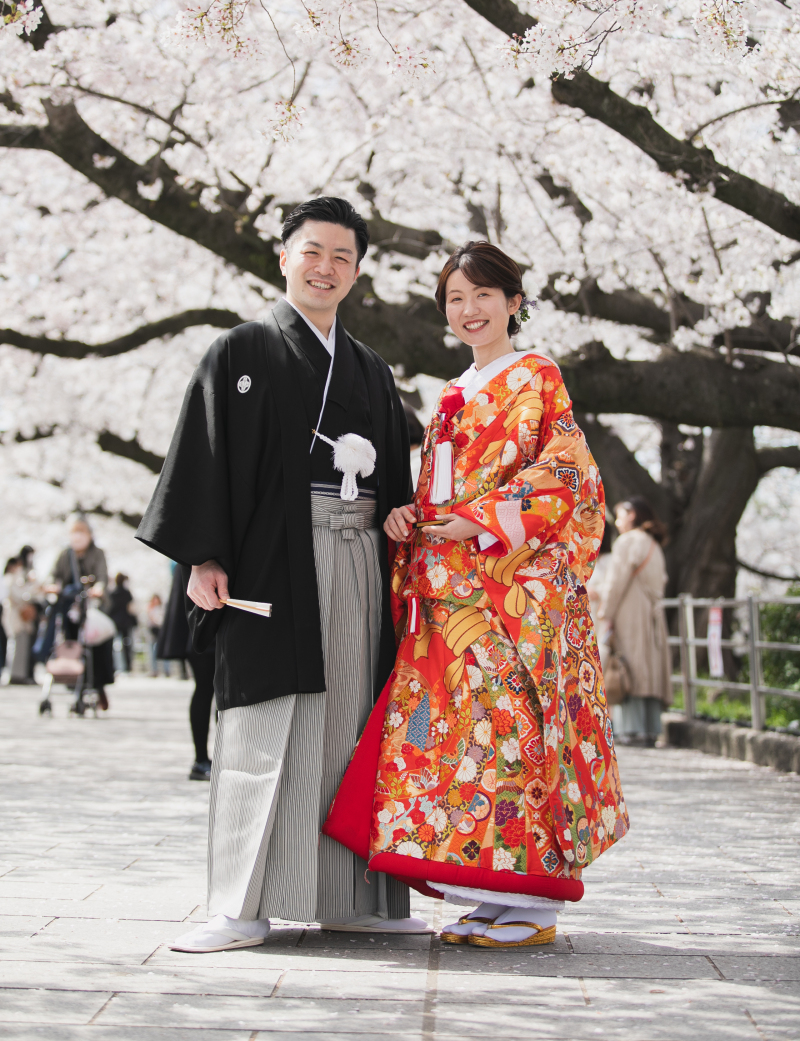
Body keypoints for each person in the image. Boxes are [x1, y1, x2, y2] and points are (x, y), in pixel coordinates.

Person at [136, 195, 427, 953]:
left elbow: (396, 473)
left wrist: (399, 523)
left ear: (358, 272)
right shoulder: (240, 351)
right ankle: (240, 905)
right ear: (284, 256)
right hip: (274, 561)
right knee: (263, 728)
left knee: (350, 723)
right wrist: (203, 555)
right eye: (313, 251)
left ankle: (349, 899)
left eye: (342, 256)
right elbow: (204, 457)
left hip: (357, 560)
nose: (325, 267)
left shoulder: (370, 368)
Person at [326, 241, 628, 949]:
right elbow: (440, 492)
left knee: (515, 734)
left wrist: (480, 519)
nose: (469, 311)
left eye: (483, 296)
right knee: (468, 745)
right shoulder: (457, 389)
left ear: (514, 302)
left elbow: (568, 475)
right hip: (452, 586)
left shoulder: (537, 377)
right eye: (455, 300)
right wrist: (410, 517)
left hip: (509, 592)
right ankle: (494, 894)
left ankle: (537, 904)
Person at [599, 497, 670, 747]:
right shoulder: (652, 542)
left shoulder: (628, 541)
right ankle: (651, 727)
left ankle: (631, 728)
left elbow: (615, 582)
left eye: (619, 515)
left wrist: (606, 614)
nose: (617, 522)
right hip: (650, 610)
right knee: (648, 667)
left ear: (631, 515)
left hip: (630, 610)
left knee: (629, 665)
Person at [48, 517, 114, 710]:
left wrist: (99, 589)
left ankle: (98, 685)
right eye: (74, 531)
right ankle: (73, 684)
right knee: (70, 644)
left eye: (81, 531)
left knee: (97, 647)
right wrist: (52, 586)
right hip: (69, 607)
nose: (77, 536)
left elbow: (102, 577)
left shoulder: (97, 553)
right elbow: (53, 575)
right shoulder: (64, 554)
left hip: (92, 606)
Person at [158, 565, 216, 780]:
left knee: (212, 690)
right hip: (199, 610)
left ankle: (209, 759)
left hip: (205, 609)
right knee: (207, 688)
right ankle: (202, 759)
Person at [6, 550, 40, 685]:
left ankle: (21, 674)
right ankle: (16, 675)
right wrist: (33, 589)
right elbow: (18, 595)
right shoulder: (11, 579)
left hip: (22, 616)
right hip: (16, 615)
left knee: (22, 646)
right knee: (18, 645)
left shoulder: (19, 577)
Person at [108, 574, 137, 672]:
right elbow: (130, 608)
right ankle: (128, 666)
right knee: (127, 644)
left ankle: (115, 666)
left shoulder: (112, 593)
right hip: (125, 621)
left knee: (115, 645)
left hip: (115, 622)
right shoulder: (126, 593)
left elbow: (110, 608)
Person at [147, 594, 165, 675]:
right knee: (153, 651)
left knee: (162, 649)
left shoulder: (162, 609)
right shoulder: (150, 609)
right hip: (153, 631)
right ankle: (154, 670)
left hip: (160, 630)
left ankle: (165, 670)